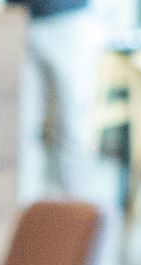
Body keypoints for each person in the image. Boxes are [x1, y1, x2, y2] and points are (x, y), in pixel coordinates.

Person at [18, 0, 107, 205]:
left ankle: (77, 218)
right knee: (22, 131)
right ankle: (27, 221)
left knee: (74, 130)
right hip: (19, 18)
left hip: (69, 20)